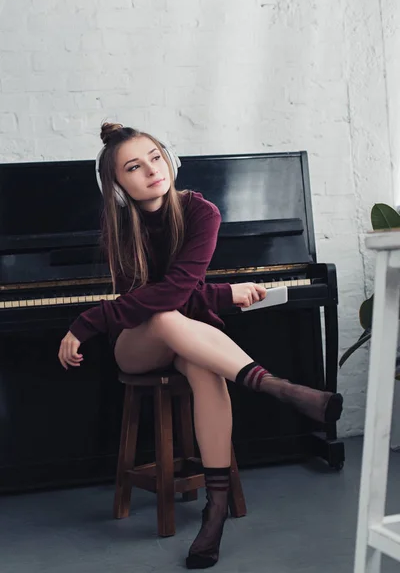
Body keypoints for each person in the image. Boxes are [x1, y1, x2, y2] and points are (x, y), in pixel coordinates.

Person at [58, 122, 344, 570]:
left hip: (188, 334)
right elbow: (152, 301)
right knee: (166, 316)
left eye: (155, 156)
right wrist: (89, 321)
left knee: (206, 369)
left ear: (168, 157)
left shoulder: (200, 212)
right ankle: (274, 386)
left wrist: (215, 295)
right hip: (136, 343)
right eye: (134, 167)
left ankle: (214, 514)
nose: (151, 170)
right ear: (118, 185)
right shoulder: (120, 225)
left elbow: (177, 288)